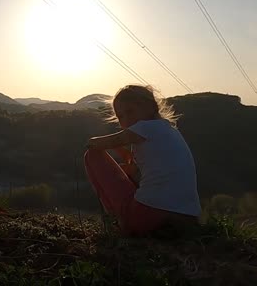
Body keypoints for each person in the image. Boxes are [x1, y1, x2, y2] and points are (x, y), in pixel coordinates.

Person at [84, 85, 201, 236]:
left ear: (150, 107)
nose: (126, 120)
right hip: (188, 218)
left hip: (146, 217)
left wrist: (95, 143)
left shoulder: (145, 128)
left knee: (92, 155)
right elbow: (138, 173)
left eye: (130, 111)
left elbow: (100, 143)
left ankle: (116, 221)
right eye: (120, 117)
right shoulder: (169, 131)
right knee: (129, 173)